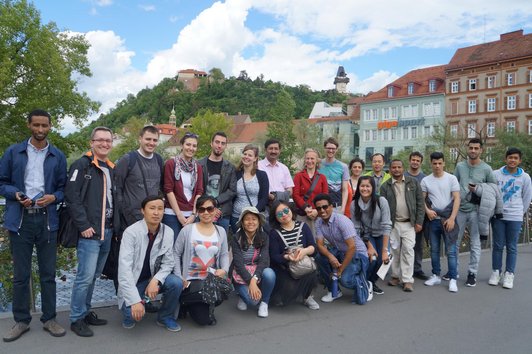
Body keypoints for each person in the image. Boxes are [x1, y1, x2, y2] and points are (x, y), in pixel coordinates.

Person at [0, 109, 67, 342]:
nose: (40, 130)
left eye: (44, 126)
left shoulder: (58, 156)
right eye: (36, 125)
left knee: (48, 274)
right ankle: (21, 321)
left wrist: (53, 198)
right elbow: (2, 183)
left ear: (50, 126)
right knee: (21, 275)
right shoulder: (13, 152)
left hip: (47, 220)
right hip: (20, 220)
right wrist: (16, 194)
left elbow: (62, 188)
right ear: (29, 125)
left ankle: (49, 319)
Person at [65, 126, 119, 337]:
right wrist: (83, 225)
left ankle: (85, 311)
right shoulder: (82, 165)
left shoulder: (111, 168)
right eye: (100, 140)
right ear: (92, 142)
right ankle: (76, 318)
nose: (105, 144)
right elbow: (71, 196)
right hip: (90, 233)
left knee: (93, 276)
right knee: (84, 277)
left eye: (108, 140)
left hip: (107, 231)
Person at [112, 125, 164, 295]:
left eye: (155, 140)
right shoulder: (128, 159)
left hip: (152, 222)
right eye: (148, 139)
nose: (151, 143)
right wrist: (121, 221)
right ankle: (126, 302)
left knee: (146, 263)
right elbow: (117, 189)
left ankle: (142, 299)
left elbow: (160, 188)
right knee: (127, 263)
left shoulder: (158, 160)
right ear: (140, 139)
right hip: (131, 221)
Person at [117, 196, 182, 331]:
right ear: (143, 211)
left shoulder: (168, 232)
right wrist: (134, 300)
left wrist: (156, 280)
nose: (156, 213)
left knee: (176, 282)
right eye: (152, 208)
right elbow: (124, 270)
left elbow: (169, 263)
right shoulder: (131, 232)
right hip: (135, 282)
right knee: (132, 317)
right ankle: (139, 301)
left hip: (153, 278)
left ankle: (165, 317)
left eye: (160, 209)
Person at [174, 195, 229, 326]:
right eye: (201, 209)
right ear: (197, 211)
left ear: (215, 211)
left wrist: (224, 269)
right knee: (204, 320)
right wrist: (179, 277)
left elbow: (224, 254)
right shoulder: (187, 230)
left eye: (209, 209)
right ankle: (185, 302)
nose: (206, 213)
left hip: (210, 280)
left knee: (219, 298)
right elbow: (175, 253)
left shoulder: (220, 231)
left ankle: (198, 303)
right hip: (190, 281)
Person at [453, 138, 497, 287]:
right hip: (459, 210)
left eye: (476, 148)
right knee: (455, 242)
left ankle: (472, 273)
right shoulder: (459, 166)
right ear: (467, 149)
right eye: (471, 148)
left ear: (481, 150)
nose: (473, 150)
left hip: (476, 211)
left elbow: (493, 189)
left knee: (475, 243)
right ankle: (454, 270)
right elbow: (454, 186)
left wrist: (479, 190)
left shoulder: (487, 168)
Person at [314, 194, 370, 304]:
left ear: (331, 207)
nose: (322, 210)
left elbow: (352, 247)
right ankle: (334, 290)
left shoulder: (342, 221)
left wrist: (340, 270)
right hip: (339, 251)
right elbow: (320, 245)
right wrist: (330, 257)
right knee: (320, 257)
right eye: (318, 208)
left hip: (357, 253)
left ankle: (366, 283)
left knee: (346, 281)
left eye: (325, 207)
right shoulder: (318, 222)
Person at [489, 148, 532, 289]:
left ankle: (509, 274)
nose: (512, 160)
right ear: (505, 159)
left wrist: (520, 212)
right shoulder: (496, 174)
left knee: (512, 247)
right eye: (510, 157)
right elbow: (491, 193)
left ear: (519, 160)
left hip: (515, 216)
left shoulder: (525, 178)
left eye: (515, 158)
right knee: (498, 246)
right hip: (498, 216)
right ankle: (496, 272)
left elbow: (527, 197)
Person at [380, 160, 424, 292]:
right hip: (393, 224)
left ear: (403, 168)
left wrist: (419, 222)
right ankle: (395, 276)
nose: (396, 170)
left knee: (408, 251)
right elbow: (382, 207)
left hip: (409, 223)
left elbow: (420, 203)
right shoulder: (385, 186)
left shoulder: (413, 183)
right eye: (394, 167)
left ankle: (407, 280)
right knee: (395, 251)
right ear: (390, 169)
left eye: (399, 167)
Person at [268, 200, 320, 309]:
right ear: (275, 217)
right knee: (288, 289)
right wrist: (288, 257)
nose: (284, 215)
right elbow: (274, 256)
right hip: (285, 267)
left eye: (286, 210)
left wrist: (304, 251)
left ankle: (307, 297)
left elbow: (313, 247)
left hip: (304, 263)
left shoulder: (303, 226)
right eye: (279, 214)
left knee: (312, 271)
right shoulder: (274, 233)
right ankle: (282, 293)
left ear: (291, 210)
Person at [421, 152, 461, 293]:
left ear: (444, 163)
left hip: (448, 220)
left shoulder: (452, 179)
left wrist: (451, 218)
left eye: (439, 163)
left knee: (451, 251)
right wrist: (427, 211)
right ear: (431, 164)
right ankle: (436, 275)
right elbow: (422, 199)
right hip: (433, 221)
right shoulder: (426, 180)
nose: (437, 166)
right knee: (434, 250)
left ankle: (452, 279)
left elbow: (457, 199)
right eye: (434, 163)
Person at [231, 206, 275, 317]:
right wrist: (251, 281)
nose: (251, 222)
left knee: (269, 273)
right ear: (242, 222)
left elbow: (264, 260)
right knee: (253, 301)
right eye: (247, 219)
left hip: (257, 271)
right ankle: (242, 294)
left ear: (259, 222)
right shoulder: (236, 237)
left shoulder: (264, 236)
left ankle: (265, 302)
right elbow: (238, 263)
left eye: (254, 219)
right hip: (241, 273)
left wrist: (254, 280)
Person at [350, 176, 391, 296]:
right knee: (371, 259)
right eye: (362, 186)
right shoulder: (354, 204)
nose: (365, 188)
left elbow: (387, 226)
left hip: (382, 234)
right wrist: (369, 245)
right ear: (358, 187)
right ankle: (365, 282)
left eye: (368, 186)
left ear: (373, 188)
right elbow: (356, 228)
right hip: (366, 235)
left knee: (381, 261)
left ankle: (372, 282)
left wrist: (384, 250)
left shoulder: (381, 201)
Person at [163, 132, 204, 241]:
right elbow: (168, 189)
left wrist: (194, 215)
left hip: (191, 214)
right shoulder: (171, 164)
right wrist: (179, 215)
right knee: (172, 248)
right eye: (188, 144)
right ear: (182, 145)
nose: (191, 148)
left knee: (188, 249)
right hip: (172, 213)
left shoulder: (198, 167)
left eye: (194, 146)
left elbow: (199, 192)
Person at [198, 132, 236, 232]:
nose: (219, 146)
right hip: (203, 211)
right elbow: (197, 189)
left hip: (222, 213)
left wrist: (216, 203)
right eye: (217, 142)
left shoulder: (230, 167)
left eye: (223, 143)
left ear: (225, 146)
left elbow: (232, 190)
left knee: (221, 244)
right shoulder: (199, 164)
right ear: (211, 143)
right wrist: (208, 206)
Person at [231, 144, 269, 233]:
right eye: (245, 154)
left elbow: (264, 198)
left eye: (250, 155)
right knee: (239, 244)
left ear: (255, 158)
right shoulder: (235, 174)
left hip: (254, 218)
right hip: (237, 217)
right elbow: (231, 194)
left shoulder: (261, 175)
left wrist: (253, 212)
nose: (246, 157)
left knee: (255, 245)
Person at [404, 151, 429, 280]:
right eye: (413, 160)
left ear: (421, 162)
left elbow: (425, 199)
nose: (415, 162)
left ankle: (417, 269)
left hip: (419, 216)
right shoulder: (402, 176)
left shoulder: (425, 178)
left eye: (417, 161)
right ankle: (404, 269)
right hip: (404, 216)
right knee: (404, 245)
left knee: (418, 244)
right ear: (409, 161)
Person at [293, 148, 328, 235]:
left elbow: (325, 196)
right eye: (307, 158)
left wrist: (317, 210)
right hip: (302, 214)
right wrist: (306, 208)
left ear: (317, 161)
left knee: (318, 239)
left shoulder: (322, 177)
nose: (309, 161)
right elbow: (295, 195)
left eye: (312, 158)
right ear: (305, 160)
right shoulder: (298, 176)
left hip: (318, 214)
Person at [258, 138, 294, 207]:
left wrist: (277, 197)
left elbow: (290, 190)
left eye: (276, 149)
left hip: (281, 206)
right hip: (264, 205)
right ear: (265, 150)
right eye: (271, 148)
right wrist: (270, 196)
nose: (273, 151)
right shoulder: (258, 166)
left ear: (279, 151)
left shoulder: (284, 168)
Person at [319, 137, 349, 214]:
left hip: (336, 206)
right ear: (324, 148)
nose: (331, 151)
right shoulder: (318, 165)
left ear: (337, 149)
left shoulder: (343, 166)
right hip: (321, 205)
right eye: (328, 148)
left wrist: (343, 208)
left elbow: (345, 189)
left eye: (333, 148)